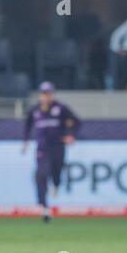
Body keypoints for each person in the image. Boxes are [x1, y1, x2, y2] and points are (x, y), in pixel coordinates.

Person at [22, 82, 81, 223]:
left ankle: (56, 184)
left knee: (56, 172)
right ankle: (44, 208)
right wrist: (25, 140)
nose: (46, 97)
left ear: (52, 95)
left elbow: (77, 122)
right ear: (39, 95)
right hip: (42, 149)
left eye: (48, 94)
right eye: (43, 94)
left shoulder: (61, 109)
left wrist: (71, 135)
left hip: (58, 147)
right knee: (41, 175)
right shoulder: (35, 110)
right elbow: (27, 124)